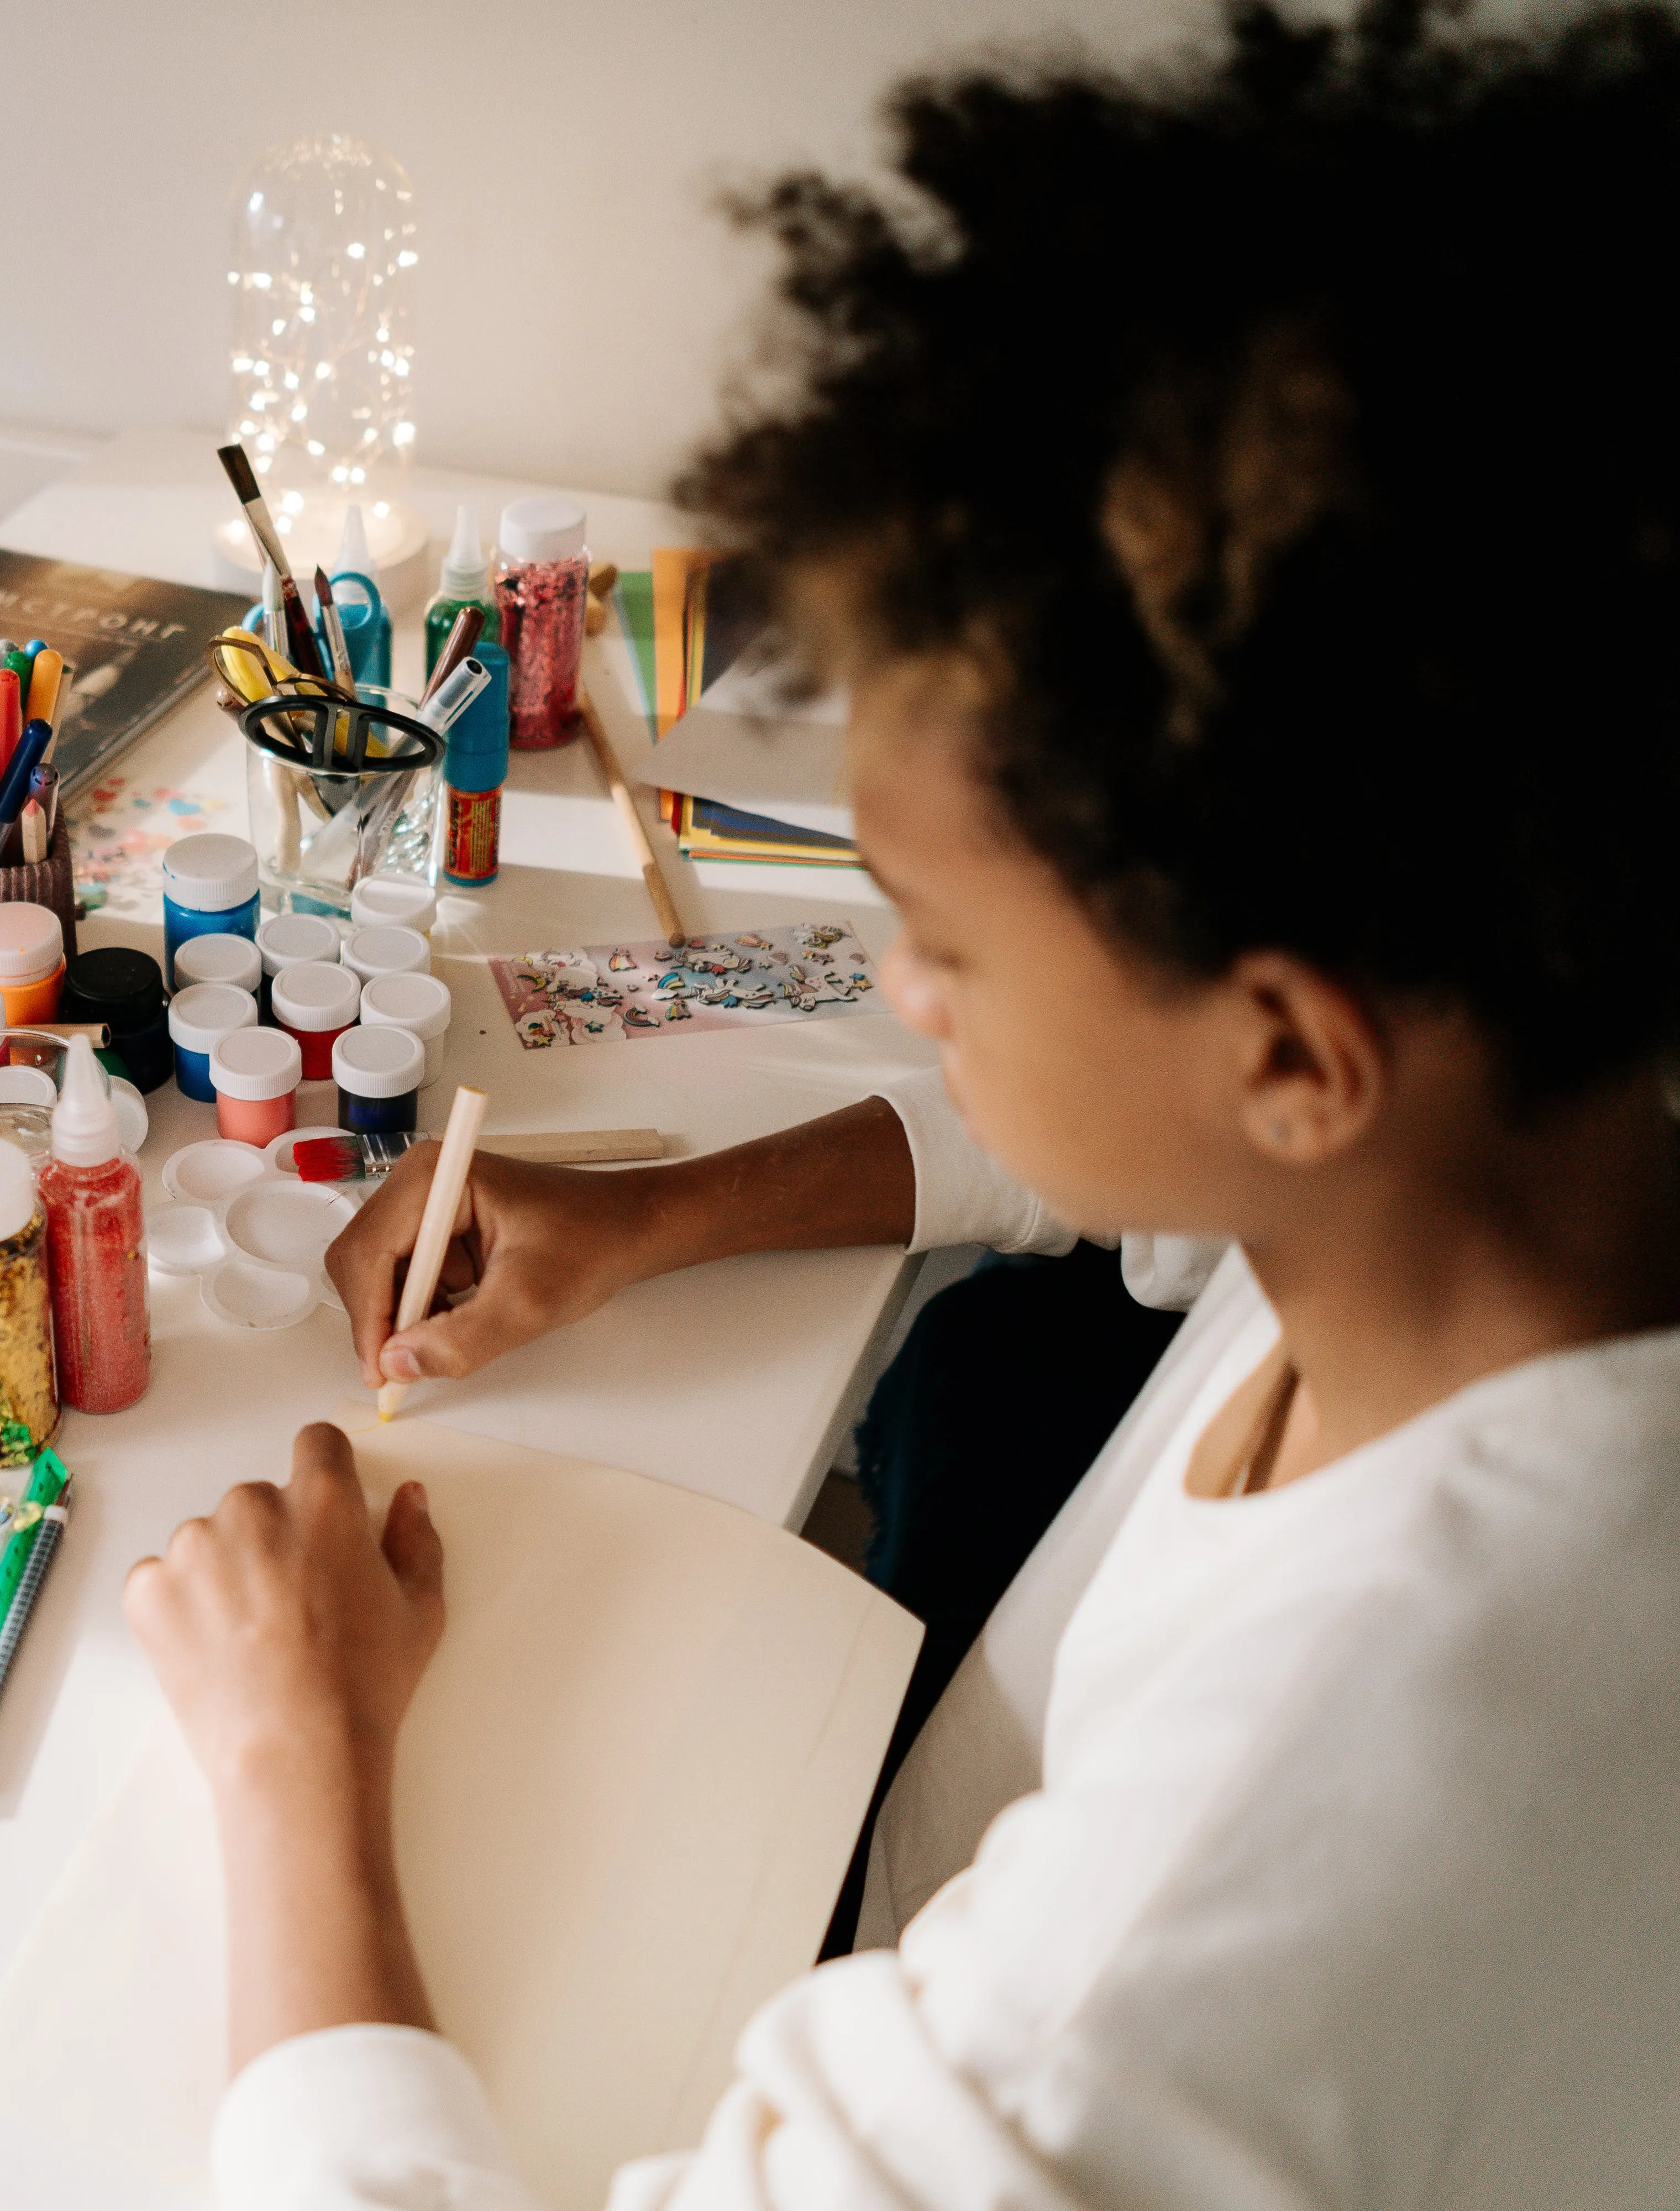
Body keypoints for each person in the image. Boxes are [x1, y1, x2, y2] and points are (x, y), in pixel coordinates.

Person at [125, 5, 1680, 2203]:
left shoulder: (1268, 1859)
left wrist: (294, 1747)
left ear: (1290, 1049)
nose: (900, 997)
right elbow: (1137, 1197)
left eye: (937, 939)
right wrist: (661, 1209)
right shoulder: (1517, 1156)